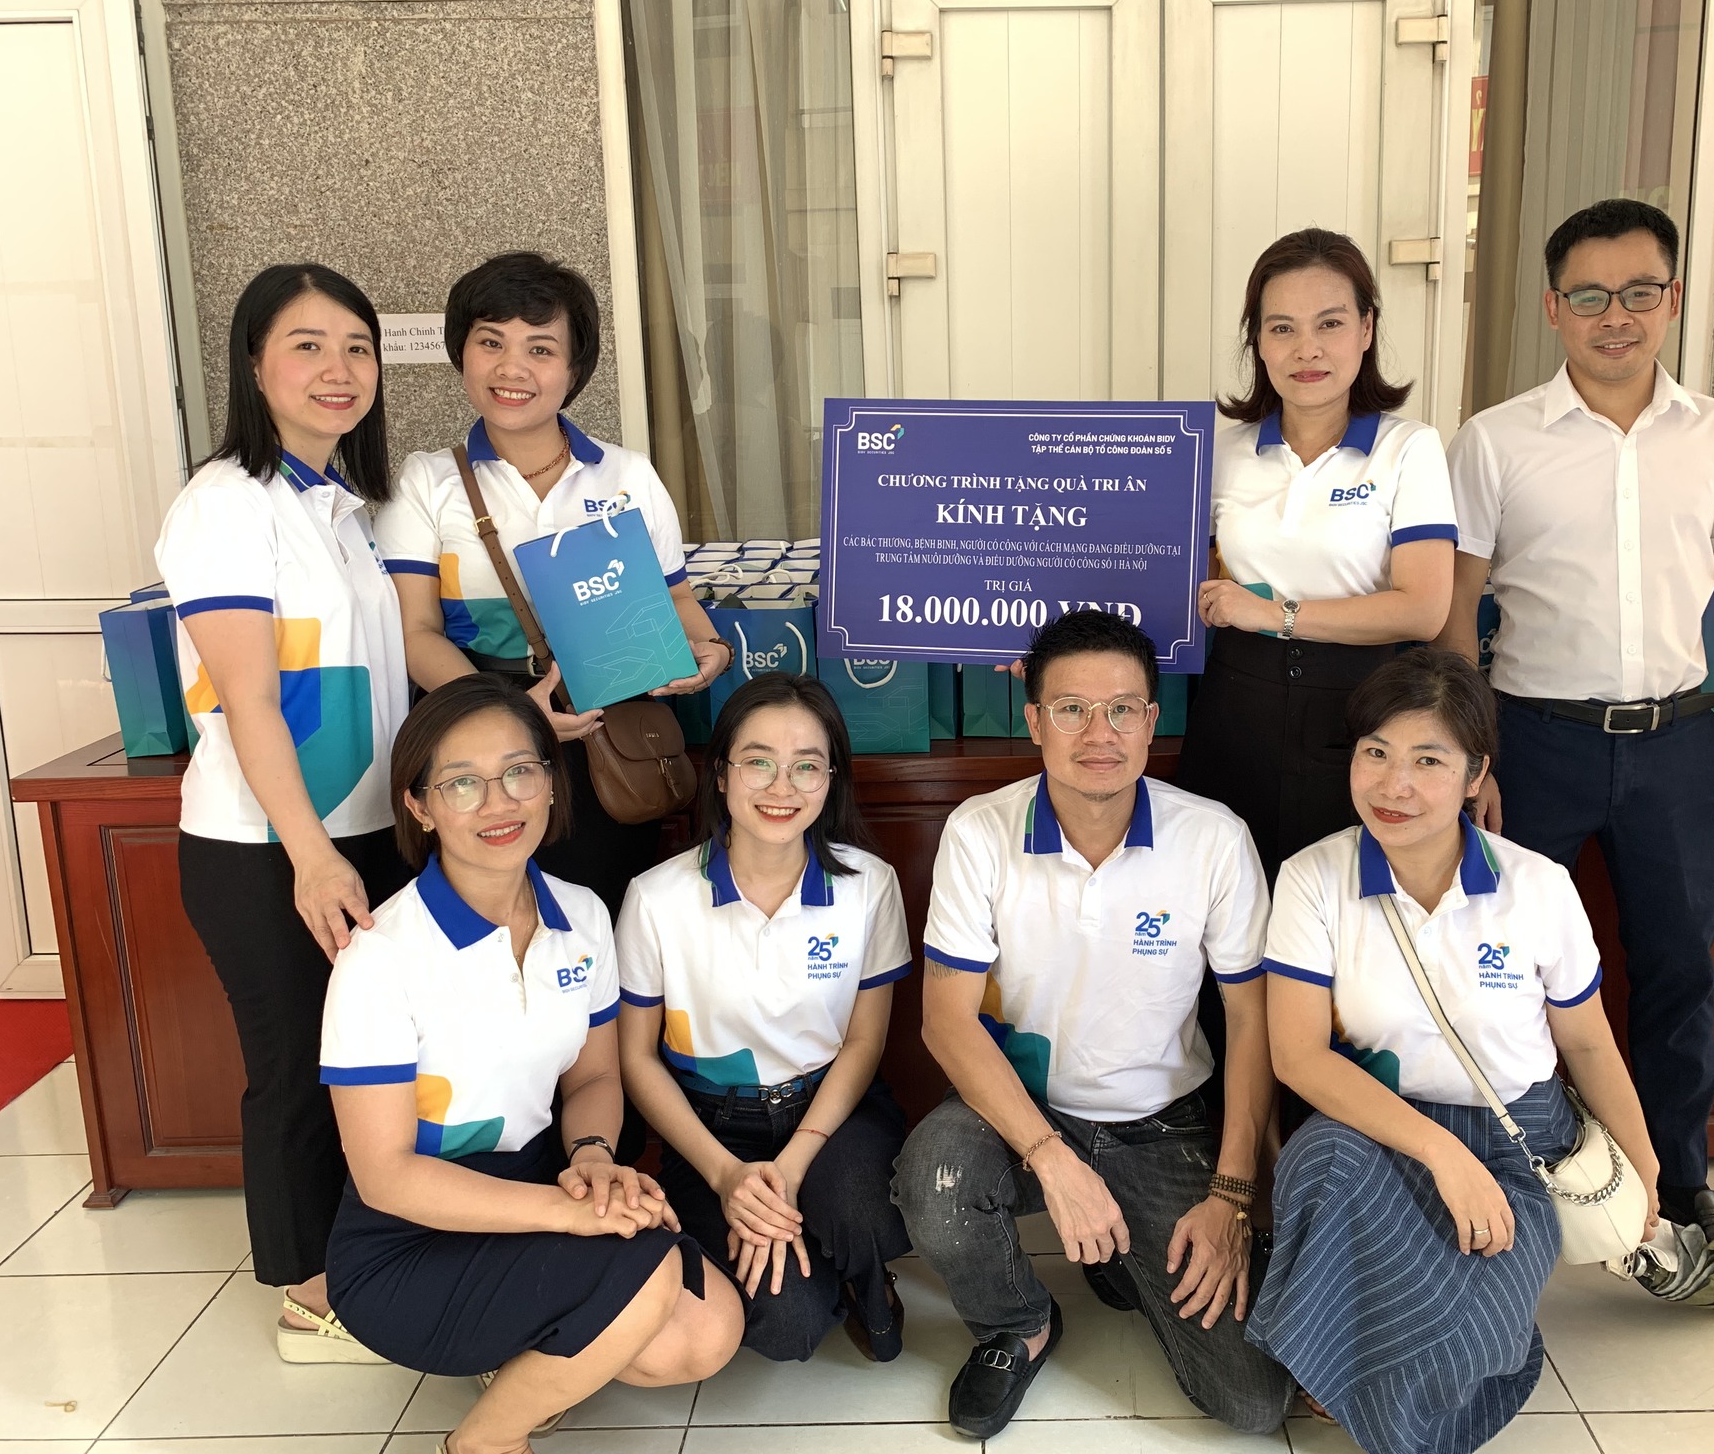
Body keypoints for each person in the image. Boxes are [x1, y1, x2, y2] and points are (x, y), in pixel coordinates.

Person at [1439, 198, 1714, 1302]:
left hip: (1676, 743)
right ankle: (1514, 1182)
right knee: (1501, 970)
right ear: (1553, 309)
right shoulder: (1495, 441)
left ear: (1671, 299)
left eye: (1639, 292)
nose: (1615, 316)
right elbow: (1453, 614)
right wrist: (1469, 758)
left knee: (1677, 970)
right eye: (1589, 295)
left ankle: (1676, 1188)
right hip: (1530, 742)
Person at [895, 610, 1296, 1441]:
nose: (1098, 733)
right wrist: (1053, 1160)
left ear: (1152, 721)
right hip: (1020, 1111)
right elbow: (945, 1022)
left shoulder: (1213, 838)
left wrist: (1232, 1192)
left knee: (1254, 1402)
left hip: (1163, 1123)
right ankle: (1019, 1323)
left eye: (1121, 710)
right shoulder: (981, 830)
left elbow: (1252, 1020)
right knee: (935, 1179)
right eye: (1071, 709)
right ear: (1034, 721)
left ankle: (1124, 1253)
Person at [1249, 649, 1661, 1454]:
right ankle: (1360, 1355)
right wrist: (1440, 1153)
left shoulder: (1536, 886)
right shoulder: (1312, 878)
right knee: (1321, 1158)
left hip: (1515, 1141)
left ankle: (1356, 1359)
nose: (1394, 785)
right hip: (1377, 1132)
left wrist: (1643, 1167)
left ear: (1476, 775)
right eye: (1376, 753)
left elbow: (1586, 1040)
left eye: (1428, 761)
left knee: (1464, 1346)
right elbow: (1297, 1058)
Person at [319, 675, 743, 1451]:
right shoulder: (380, 956)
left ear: (550, 782)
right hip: (409, 1237)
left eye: (520, 771)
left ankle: (515, 1346)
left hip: (540, 1180)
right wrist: (569, 1215)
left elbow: (594, 1077)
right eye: (462, 783)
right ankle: (484, 1441)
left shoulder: (581, 915)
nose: (499, 802)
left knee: (706, 1330)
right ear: (420, 806)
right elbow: (386, 1178)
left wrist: (593, 1160)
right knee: (651, 1280)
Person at [156, 263, 412, 1362]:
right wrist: (309, 854)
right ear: (253, 365)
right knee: (299, 1068)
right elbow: (249, 698)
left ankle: (369, 1259)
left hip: (361, 832)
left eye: (356, 347)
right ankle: (311, 1298)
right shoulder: (225, 502)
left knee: (365, 1058)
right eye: (306, 345)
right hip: (267, 846)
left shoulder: (341, 506)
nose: (337, 369)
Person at [376, 250, 731, 920]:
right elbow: (415, 632)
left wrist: (711, 650)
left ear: (574, 370)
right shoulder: (427, 481)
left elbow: (676, 599)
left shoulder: (627, 475)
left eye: (540, 349)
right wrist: (508, 720)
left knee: (599, 917)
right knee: (485, 920)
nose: (512, 369)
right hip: (476, 739)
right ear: (461, 354)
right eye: (491, 343)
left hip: (607, 737)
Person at [615, 673, 914, 1364]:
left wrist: (794, 1161)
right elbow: (635, 1059)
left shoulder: (869, 885)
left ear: (831, 779)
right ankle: (812, 1254)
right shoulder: (657, 899)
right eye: (759, 762)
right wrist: (728, 1177)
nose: (783, 787)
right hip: (714, 1129)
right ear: (721, 774)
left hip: (831, 1111)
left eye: (807, 766)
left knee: (861, 1211)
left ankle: (864, 1272)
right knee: (787, 1327)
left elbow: (865, 1041)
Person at [1177, 227, 1457, 879]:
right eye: (1282, 328)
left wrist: (1274, 614)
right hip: (1236, 708)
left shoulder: (1409, 448)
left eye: (1329, 323)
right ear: (1258, 341)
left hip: (1364, 713)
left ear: (1366, 328)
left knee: (1347, 908)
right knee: (1227, 907)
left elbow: (1423, 610)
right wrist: (1052, 640)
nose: (1307, 349)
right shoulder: (1220, 452)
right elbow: (1151, 576)